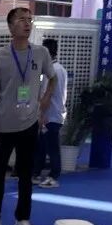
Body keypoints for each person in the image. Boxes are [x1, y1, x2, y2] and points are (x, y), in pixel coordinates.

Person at [0, 7, 56, 225]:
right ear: (11, 26)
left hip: (29, 124)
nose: (27, 23)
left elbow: (52, 79)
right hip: (4, 125)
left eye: (30, 20)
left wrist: (44, 101)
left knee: (25, 174)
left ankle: (23, 220)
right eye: (22, 20)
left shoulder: (40, 53)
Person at [33, 38, 67, 189]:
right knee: (41, 146)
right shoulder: (59, 69)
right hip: (53, 114)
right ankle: (36, 173)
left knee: (52, 148)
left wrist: (41, 115)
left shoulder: (52, 71)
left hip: (50, 115)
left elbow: (48, 94)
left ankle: (53, 176)